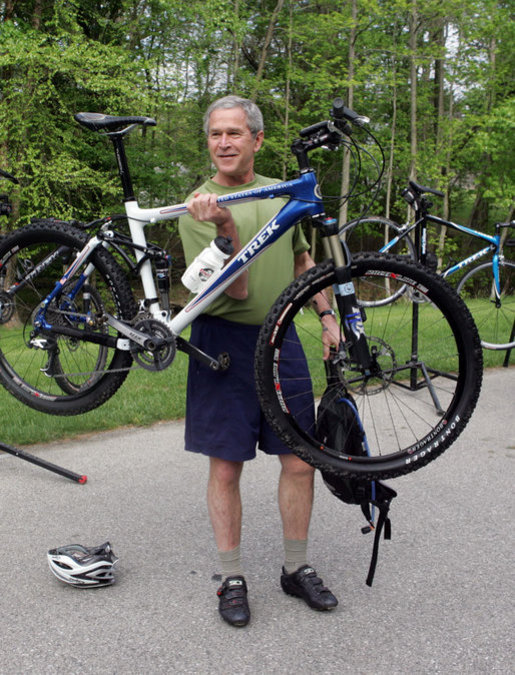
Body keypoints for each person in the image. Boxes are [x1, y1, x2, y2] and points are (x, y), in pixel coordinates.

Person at [178, 95, 340, 628]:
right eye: (215, 134)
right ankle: (232, 578)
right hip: (222, 339)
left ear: (256, 139)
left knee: (298, 460)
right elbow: (238, 287)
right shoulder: (198, 204)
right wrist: (225, 229)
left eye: (234, 133)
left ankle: (296, 569)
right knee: (227, 465)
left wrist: (326, 315)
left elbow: (300, 258)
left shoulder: (281, 195)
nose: (223, 143)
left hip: (282, 338)